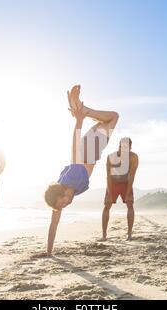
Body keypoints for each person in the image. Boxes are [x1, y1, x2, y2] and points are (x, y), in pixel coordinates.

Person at [32, 85, 119, 258]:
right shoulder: (65, 193)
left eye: (62, 202)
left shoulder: (69, 179)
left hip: (89, 147)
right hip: (93, 148)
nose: (64, 204)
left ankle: (81, 110)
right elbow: (53, 224)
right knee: (108, 119)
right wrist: (48, 252)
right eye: (61, 205)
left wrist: (78, 121)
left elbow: (74, 150)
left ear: (61, 192)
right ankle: (81, 108)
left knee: (114, 117)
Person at [102, 137, 138, 241]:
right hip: (113, 183)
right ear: (119, 146)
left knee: (130, 204)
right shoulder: (111, 157)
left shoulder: (133, 157)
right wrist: (109, 192)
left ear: (130, 148)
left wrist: (128, 193)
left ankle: (129, 234)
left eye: (127, 148)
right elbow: (108, 176)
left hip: (126, 183)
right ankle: (104, 235)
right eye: (122, 147)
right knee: (107, 205)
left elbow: (131, 175)